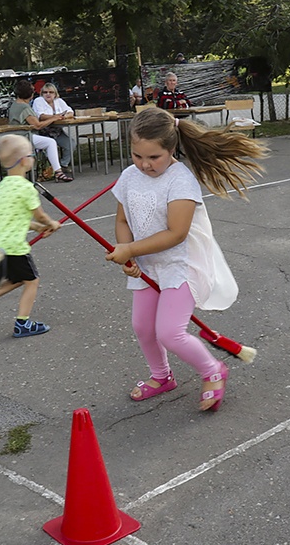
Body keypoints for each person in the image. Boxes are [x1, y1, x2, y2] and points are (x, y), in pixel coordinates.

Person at [106, 107, 266, 412]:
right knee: (142, 327)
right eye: (137, 155)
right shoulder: (129, 176)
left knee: (169, 332)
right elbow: (123, 220)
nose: (144, 164)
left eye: (154, 157)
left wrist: (131, 251)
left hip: (180, 265)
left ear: (171, 148)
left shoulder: (180, 181)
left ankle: (212, 370)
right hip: (147, 263)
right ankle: (161, 377)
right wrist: (125, 249)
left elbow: (176, 233)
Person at [0, 135, 61, 337]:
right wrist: (50, 223)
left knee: (19, 279)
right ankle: (23, 323)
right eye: (32, 154)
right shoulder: (26, 187)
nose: (34, 158)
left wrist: (36, 227)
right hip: (14, 247)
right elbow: (41, 214)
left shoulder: (4, 185)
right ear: (23, 160)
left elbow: (14, 217)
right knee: (32, 281)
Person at [8, 79, 72, 182]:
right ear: (30, 94)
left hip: (16, 136)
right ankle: (58, 171)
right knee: (50, 142)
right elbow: (37, 125)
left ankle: (56, 170)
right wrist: (54, 118)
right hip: (24, 136)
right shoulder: (24, 108)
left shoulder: (15, 104)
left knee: (51, 142)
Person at [31, 83, 75, 177]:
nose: (48, 94)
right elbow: (41, 116)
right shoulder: (38, 101)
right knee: (50, 147)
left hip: (57, 131)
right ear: (41, 93)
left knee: (71, 143)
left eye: (51, 92)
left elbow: (70, 112)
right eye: (45, 92)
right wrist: (56, 117)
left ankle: (63, 165)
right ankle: (50, 170)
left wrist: (64, 116)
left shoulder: (59, 101)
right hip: (43, 132)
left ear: (55, 94)